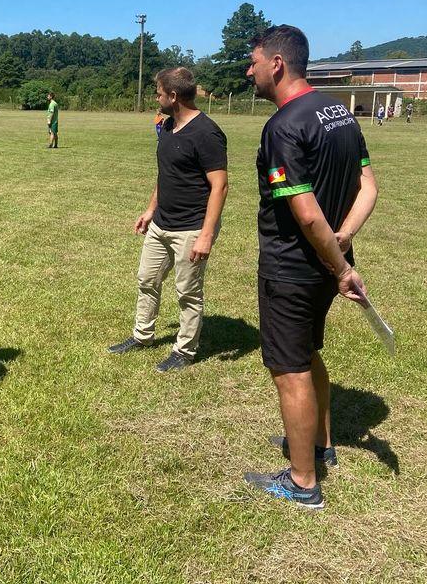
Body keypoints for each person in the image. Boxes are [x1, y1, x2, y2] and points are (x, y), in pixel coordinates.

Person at [243, 25, 377, 509]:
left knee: (289, 367)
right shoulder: (340, 112)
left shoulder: (283, 126)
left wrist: (339, 263)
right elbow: (368, 187)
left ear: (276, 64)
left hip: (293, 269)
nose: (249, 70)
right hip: (325, 264)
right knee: (308, 354)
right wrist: (343, 244)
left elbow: (304, 210)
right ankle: (321, 446)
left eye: (253, 61)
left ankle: (302, 482)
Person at [108, 67, 228, 372]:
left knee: (188, 292)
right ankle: (142, 335)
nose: (156, 97)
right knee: (147, 279)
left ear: (173, 96)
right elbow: (167, 174)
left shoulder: (207, 133)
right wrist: (150, 210)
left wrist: (206, 235)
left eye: (159, 92)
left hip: (191, 227)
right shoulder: (168, 125)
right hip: (162, 223)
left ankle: (184, 350)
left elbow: (220, 186)